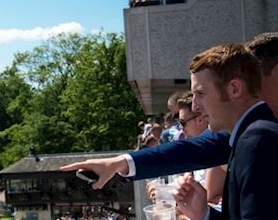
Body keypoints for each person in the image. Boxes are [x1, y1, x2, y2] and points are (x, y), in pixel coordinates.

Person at [60, 32, 278, 188]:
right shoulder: (250, 129)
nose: (250, 85)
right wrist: (120, 163)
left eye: (255, 76)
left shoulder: (258, 133)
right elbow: (192, 150)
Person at [147, 44, 278, 220]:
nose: (196, 106)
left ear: (235, 88)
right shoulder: (250, 135)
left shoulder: (258, 138)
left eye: (200, 93)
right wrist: (203, 216)